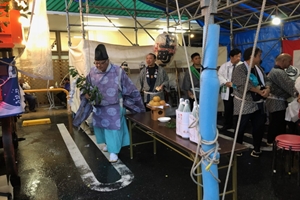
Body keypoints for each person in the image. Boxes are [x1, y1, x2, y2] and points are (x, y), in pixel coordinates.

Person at [84, 44, 145, 163]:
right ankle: (107, 144)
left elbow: (129, 87)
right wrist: (86, 94)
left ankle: (114, 151)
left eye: (101, 63)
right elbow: (86, 87)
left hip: (114, 106)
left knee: (113, 129)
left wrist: (136, 103)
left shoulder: (118, 71)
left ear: (107, 61)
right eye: (96, 63)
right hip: (99, 107)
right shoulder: (92, 72)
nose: (98, 65)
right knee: (101, 127)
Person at [232, 47, 271, 158]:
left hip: (258, 102)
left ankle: (257, 149)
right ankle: (237, 149)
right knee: (240, 128)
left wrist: (267, 89)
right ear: (252, 56)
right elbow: (243, 84)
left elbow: (267, 79)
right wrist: (259, 91)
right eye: (259, 55)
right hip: (244, 103)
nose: (260, 58)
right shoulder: (240, 69)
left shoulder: (259, 68)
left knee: (259, 127)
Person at [265, 53, 296, 145]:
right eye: (289, 61)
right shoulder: (279, 72)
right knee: (277, 123)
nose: (290, 64)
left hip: (275, 101)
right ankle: (273, 141)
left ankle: (273, 140)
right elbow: (289, 86)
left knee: (275, 122)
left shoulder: (274, 70)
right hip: (277, 102)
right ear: (283, 61)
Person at [218, 49, 242, 131]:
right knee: (228, 108)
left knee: (238, 108)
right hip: (228, 89)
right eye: (237, 56)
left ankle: (237, 126)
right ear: (231, 57)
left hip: (238, 90)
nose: (239, 58)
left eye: (240, 56)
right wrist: (225, 82)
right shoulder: (224, 66)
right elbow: (219, 75)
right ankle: (227, 124)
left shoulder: (242, 66)